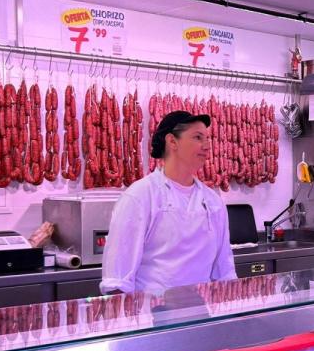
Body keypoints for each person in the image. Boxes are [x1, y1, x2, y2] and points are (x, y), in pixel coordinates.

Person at [100, 110, 236, 295]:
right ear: (172, 141)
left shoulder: (213, 201)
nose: (207, 146)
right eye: (198, 137)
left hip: (201, 314)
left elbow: (225, 272)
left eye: (207, 139)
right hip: (151, 315)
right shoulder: (140, 196)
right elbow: (117, 280)